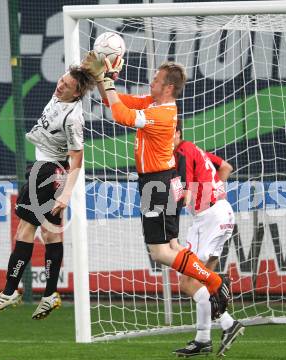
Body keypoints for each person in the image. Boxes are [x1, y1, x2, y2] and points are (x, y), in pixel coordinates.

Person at [82, 52, 231, 327]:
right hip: (165, 181)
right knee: (173, 246)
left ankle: (214, 281)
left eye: (156, 80)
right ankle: (222, 322)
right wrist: (102, 77)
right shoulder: (154, 104)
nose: (151, 84)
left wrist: (107, 77)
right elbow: (111, 101)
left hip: (156, 184)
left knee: (161, 253)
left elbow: (120, 114)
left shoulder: (163, 113)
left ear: (169, 88)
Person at [0, 65, 96, 319]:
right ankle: (49, 295)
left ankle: (10, 291)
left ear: (77, 94)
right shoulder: (61, 95)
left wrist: (66, 194)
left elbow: (77, 160)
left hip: (47, 171)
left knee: (24, 229)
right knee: (49, 234)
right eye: (61, 80)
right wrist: (95, 61)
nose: (59, 86)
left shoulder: (72, 119)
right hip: (47, 169)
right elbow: (82, 71)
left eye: (66, 86)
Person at [172, 127, 245, 357]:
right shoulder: (195, 150)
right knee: (200, 281)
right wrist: (216, 192)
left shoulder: (182, 153)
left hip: (209, 219)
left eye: (167, 132)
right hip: (219, 213)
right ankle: (203, 339)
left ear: (177, 132)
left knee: (187, 282)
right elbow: (226, 167)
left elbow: (185, 197)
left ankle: (228, 323)